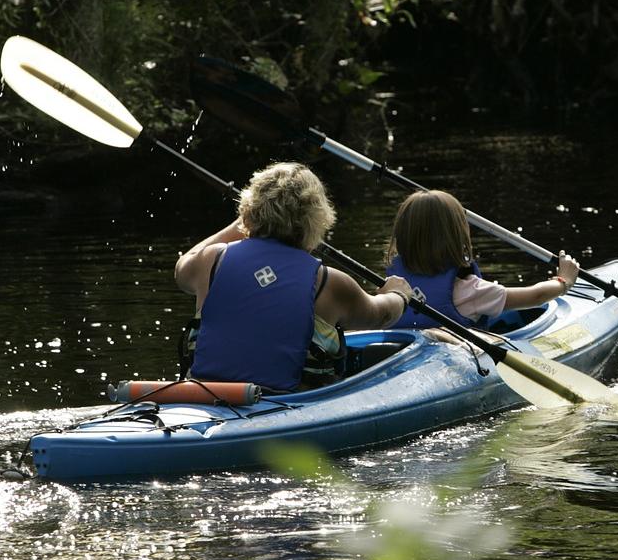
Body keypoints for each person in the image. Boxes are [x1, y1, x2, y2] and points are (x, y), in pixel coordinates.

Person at [174, 162, 411, 391]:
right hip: (288, 404)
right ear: (317, 219)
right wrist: (398, 294)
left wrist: (243, 223)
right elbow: (381, 315)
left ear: (248, 210)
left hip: (204, 395)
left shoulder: (211, 260)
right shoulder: (329, 282)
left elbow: (182, 268)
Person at [384, 190, 579, 329]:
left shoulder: (391, 287)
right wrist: (564, 281)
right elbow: (535, 297)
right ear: (457, 238)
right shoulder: (471, 291)